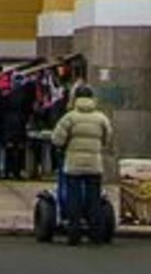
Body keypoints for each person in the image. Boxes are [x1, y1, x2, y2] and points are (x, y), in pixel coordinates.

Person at [44, 82, 115, 245]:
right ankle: (96, 235)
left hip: (73, 164)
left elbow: (57, 139)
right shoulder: (101, 118)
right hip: (94, 164)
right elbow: (107, 138)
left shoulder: (70, 117)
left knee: (73, 198)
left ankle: (73, 234)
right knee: (94, 199)